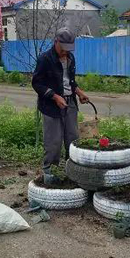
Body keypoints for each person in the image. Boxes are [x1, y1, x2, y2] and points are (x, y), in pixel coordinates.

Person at [32, 27, 89, 184]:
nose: (66, 52)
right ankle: (50, 173)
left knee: (73, 138)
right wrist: (54, 96)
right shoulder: (45, 59)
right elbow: (37, 83)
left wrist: (79, 92)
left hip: (70, 103)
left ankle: (72, 171)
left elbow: (70, 81)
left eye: (69, 48)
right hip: (51, 105)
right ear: (56, 42)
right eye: (63, 48)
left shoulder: (70, 58)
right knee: (53, 142)